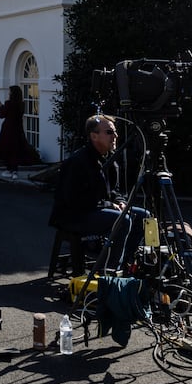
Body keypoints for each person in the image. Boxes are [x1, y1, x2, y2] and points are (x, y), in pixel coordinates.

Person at [49, 114, 150, 271]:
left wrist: (120, 201)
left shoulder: (108, 158)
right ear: (94, 136)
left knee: (144, 216)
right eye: (109, 132)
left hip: (98, 208)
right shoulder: (79, 161)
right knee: (122, 220)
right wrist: (109, 204)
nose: (115, 136)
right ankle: (109, 272)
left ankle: (125, 263)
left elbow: (115, 190)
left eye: (115, 132)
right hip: (75, 215)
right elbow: (75, 200)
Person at [0, 85, 27, 180]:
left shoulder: (8, 103)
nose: (9, 93)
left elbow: (2, 115)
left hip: (8, 129)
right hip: (18, 129)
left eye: (10, 92)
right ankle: (14, 170)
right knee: (15, 149)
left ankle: (9, 169)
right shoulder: (21, 104)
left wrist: (0, 105)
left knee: (7, 147)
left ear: (12, 93)